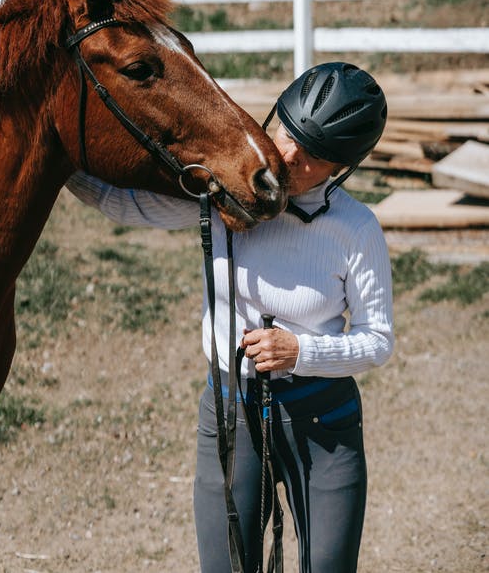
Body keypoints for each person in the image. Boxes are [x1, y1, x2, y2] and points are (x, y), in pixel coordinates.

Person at [67, 61, 393, 573]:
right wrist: (53, 148)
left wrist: (301, 351)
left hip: (323, 423)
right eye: (284, 132)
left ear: (340, 168)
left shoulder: (356, 229)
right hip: (229, 411)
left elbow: (378, 340)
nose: (287, 156)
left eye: (311, 158)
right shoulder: (227, 195)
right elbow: (124, 204)